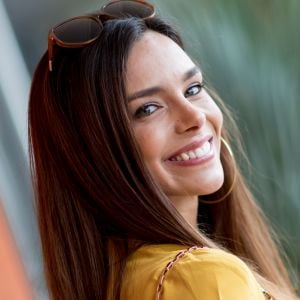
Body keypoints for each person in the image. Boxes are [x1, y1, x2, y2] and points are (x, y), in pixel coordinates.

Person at [28, 0, 298, 299]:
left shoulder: (123, 279)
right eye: (148, 108)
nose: (194, 117)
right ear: (95, 155)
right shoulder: (201, 279)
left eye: (193, 89)